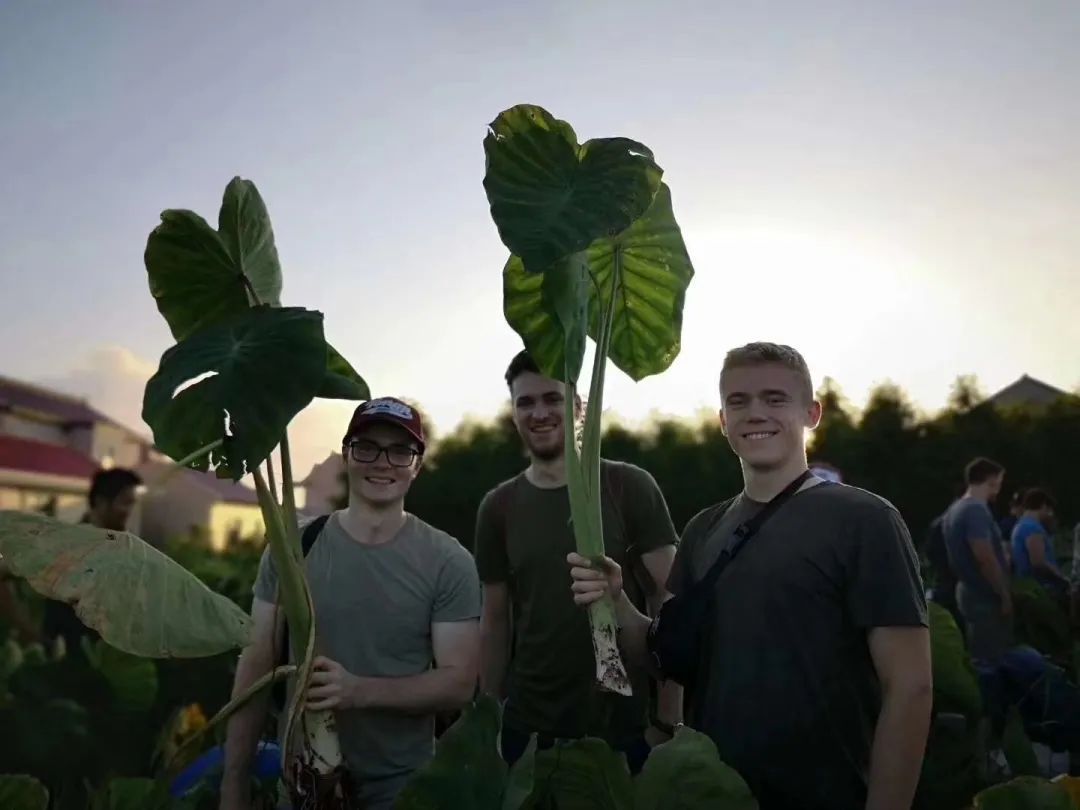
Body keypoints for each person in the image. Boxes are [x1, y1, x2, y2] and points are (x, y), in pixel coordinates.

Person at [568, 342, 931, 810]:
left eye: (775, 399)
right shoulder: (703, 530)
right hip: (715, 794)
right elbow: (667, 659)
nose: (755, 412)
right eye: (738, 402)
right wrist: (616, 599)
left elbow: (910, 687)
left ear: (812, 413)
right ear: (723, 421)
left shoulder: (865, 520)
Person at [219, 398, 481, 810]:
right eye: (367, 448)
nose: (383, 463)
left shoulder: (448, 561)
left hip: (402, 790)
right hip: (303, 786)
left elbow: (458, 684)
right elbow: (256, 665)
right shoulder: (293, 549)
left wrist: (358, 691)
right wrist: (234, 782)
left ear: (417, 465)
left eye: (400, 451)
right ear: (346, 455)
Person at [475, 350, 681, 774]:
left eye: (553, 399)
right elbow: (495, 621)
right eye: (526, 402)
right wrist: (488, 717)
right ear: (513, 414)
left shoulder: (628, 486)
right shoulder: (499, 507)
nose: (540, 413)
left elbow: (672, 605)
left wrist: (666, 722)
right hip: (527, 731)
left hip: (623, 731)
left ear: (579, 407)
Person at [42, 467, 142, 652]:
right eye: (124, 503)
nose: (129, 511)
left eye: (132, 503)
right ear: (101, 502)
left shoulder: (121, 546)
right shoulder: (70, 544)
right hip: (72, 653)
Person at [942, 457, 1013, 664]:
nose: (999, 488)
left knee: (980, 654)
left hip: (968, 590)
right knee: (991, 659)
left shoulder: (955, 509)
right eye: (999, 482)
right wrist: (1003, 594)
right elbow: (984, 556)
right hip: (985, 596)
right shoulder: (975, 510)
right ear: (991, 480)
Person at [1011, 488, 1069, 597]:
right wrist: (1062, 578)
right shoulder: (1032, 528)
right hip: (1041, 590)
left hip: (1029, 587)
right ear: (1043, 506)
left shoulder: (1021, 525)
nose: (1050, 514)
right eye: (1049, 510)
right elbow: (1039, 563)